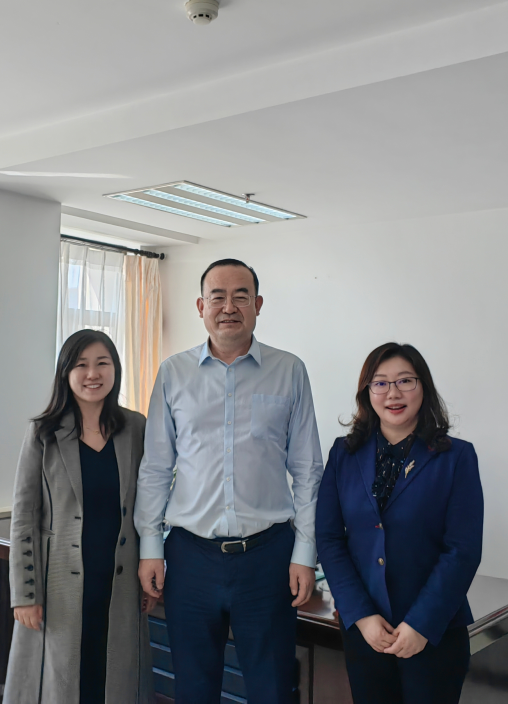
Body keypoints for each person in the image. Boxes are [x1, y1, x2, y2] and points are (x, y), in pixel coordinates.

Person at [135, 258, 323, 704]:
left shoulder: (289, 370)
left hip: (268, 557)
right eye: (217, 296)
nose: (229, 306)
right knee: (194, 689)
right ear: (201, 306)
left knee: (272, 688)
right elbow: (156, 467)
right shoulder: (173, 372)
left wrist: (304, 553)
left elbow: (307, 469)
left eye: (241, 296)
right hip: (190, 558)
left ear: (258, 305)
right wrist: (150, 547)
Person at [315, 342, 484, 704]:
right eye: (380, 383)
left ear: (423, 387)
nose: (393, 393)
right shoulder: (343, 454)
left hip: (434, 632)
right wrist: (362, 616)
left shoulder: (456, 457)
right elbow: (329, 539)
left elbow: (462, 550)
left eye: (405, 381)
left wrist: (421, 624)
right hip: (366, 632)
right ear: (367, 392)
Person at [4, 330, 154, 704]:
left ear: (115, 369)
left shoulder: (136, 427)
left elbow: (150, 506)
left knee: (113, 677)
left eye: (102, 363)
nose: (92, 374)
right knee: (63, 681)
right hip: (58, 585)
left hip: (119, 582)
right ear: (65, 373)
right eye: (81, 365)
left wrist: (150, 573)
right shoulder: (43, 432)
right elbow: (24, 517)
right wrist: (25, 594)